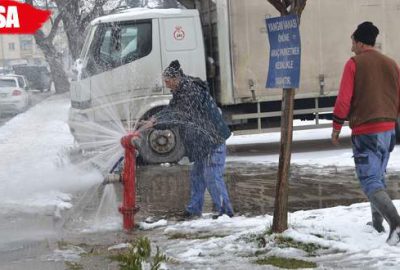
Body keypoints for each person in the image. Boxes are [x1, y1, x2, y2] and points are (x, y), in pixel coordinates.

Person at [332, 21, 400, 245]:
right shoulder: (392, 64)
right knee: (377, 176)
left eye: (353, 40)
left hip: (366, 131)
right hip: (388, 130)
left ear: (360, 42)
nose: (351, 44)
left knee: (369, 179)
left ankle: (397, 225)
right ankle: (378, 223)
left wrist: (336, 128)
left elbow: (343, 100)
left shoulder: (354, 64)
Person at [143, 60, 234, 219]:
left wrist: (156, 123)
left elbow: (179, 115)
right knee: (197, 176)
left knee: (211, 176)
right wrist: (154, 119)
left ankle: (225, 212)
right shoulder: (181, 90)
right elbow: (172, 109)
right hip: (202, 143)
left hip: (212, 140)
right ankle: (194, 210)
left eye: (168, 81)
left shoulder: (190, 90)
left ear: (176, 78)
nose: (166, 84)